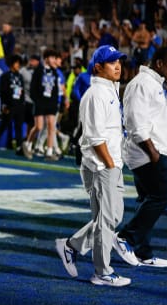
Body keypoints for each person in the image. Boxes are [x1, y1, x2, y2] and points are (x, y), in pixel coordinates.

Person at [55, 45, 131, 287]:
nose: (118, 66)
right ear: (98, 67)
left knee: (111, 216)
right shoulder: (96, 94)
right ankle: (102, 271)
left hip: (110, 164)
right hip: (101, 166)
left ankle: (71, 245)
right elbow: (96, 137)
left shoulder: (109, 91)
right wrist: (109, 164)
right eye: (112, 62)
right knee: (107, 219)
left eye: (119, 61)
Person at [114, 47, 167, 268]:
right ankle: (126, 237)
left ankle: (143, 252)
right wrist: (154, 153)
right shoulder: (141, 84)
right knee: (162, 195)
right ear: (158, 63)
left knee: (147, 198)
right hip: (147, 153)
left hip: (151, 151)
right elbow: (135, 122)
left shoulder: (154, 83)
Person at [22, 49, 60, 161]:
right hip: (40, 102)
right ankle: (28, 143)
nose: (54, 60)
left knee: (51, 126)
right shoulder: (39, 70)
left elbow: (55, 89)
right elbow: (33, 88)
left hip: (50, 102)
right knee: (38, 126)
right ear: (46, 58)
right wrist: (37, 100)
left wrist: (55, 102)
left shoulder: (54, 72)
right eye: (52, 58)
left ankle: (49, 152)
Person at [0, 55, 25, 155]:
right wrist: (4, 105)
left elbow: (22, 91)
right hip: (10, 104)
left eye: (19, 63)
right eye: (16, 63)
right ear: (11, 64)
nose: (18, 65)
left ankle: (19, 147)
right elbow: (2, 92)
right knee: (4, 125)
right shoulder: (5, 77)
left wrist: (22, 103)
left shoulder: (20, 76)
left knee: (18, 126)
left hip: (19, 105)